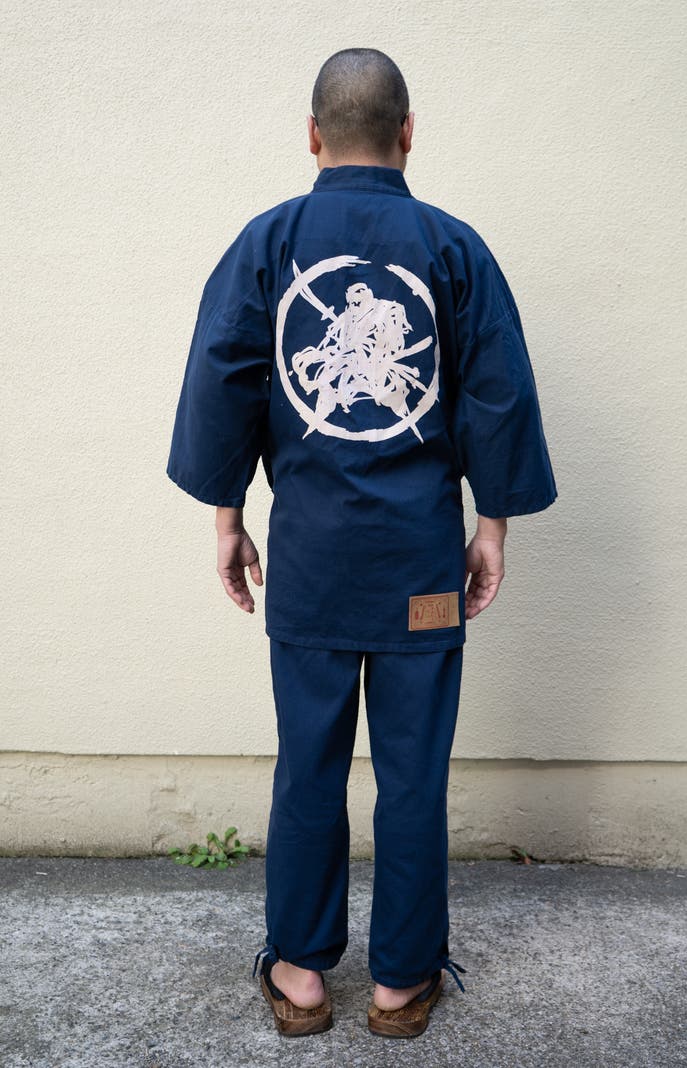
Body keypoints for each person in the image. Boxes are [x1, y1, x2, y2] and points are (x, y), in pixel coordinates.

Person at [166, 47, 558, 1039]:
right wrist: (491, 529)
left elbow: (224, 376)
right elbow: (496, 392)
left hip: (309, 559)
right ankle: (400, 983)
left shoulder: (269, 242)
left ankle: (300, 973)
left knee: (308, 766)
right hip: (420, 563)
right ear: (408, 133)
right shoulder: (453, 248)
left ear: (312, 135)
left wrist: (229, 519)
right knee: (413, 774)